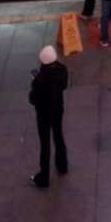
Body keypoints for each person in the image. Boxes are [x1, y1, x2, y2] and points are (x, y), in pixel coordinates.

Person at [29, 45, 68, 188]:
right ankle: (62, 165)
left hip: (44, 115)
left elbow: (32, 99)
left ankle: (43, 177)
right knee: (59, 136)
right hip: (58, 110)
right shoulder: (63, 70)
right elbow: (63, 86)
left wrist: (36, 80)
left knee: (45, 145)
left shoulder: (39, 80)